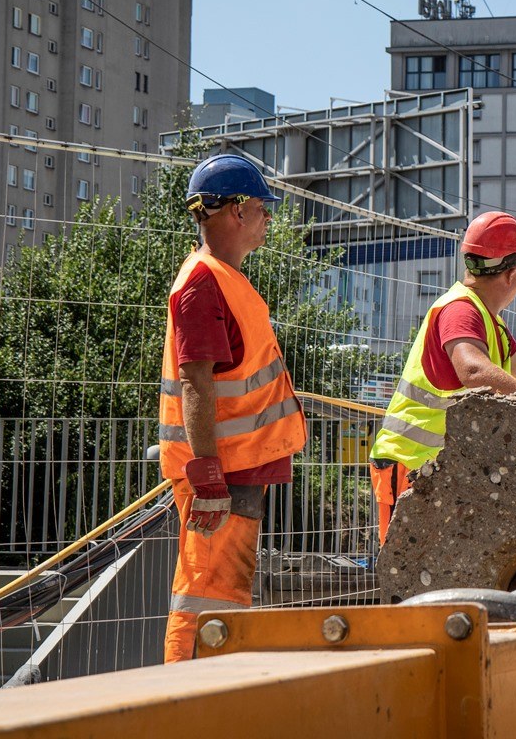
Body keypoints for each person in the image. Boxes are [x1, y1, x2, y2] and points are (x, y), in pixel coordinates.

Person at [159, 153, 307, 663]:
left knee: (225, 594)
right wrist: (207, 476)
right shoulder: (204, 282)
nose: (269, 219)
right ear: (238, 211)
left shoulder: (223, 278)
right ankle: (183, 698)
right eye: (265, 208)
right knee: (205, 591)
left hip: (238, 465)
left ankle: (209, 693)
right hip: (223, 469)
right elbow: (195, 380)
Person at [369, 211, 516, 548]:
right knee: (415, 587)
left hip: (433, 471)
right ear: (514, 273)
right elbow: (472, 370)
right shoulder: (461, 310)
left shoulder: (489, 321)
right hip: (411, 467)